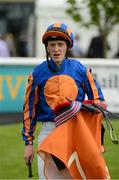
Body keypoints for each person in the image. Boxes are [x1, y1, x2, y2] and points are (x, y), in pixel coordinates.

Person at [22, 23, 108, 179]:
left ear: (67, 46)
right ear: (47, 48)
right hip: (48, 133)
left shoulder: (79, 69)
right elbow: (29, 110)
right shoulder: (37, 73)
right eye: (52, 45)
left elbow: (98, 101)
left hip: (75, 134)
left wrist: (83, 110)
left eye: (60, 44)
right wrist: (28, 144)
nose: (56, 49)